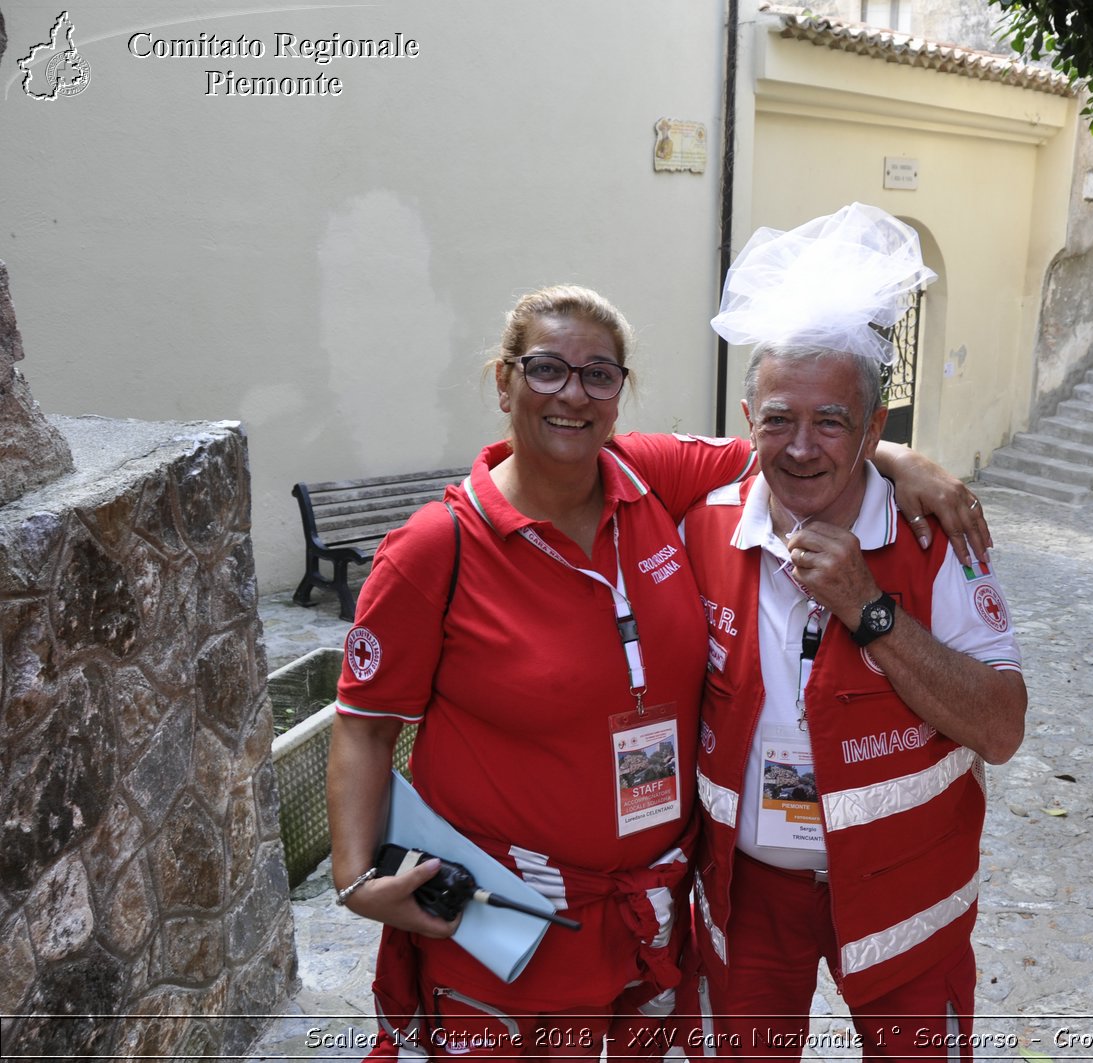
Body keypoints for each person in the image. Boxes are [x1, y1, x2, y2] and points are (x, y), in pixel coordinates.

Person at [325, 284, 990, 1060]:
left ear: (619, 395)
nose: (572, 393)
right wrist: (353, 878)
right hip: (510, 912)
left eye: (598, 374)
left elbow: (789, 442)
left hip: (653, 914)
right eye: (545, 369)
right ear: (503, 382)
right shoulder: (437, 547)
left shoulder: (652, 477)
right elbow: (363, 726)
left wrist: (897, 455)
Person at [681, 204, 1028, 1060]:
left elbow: (1001, 726)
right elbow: (576, 455)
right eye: (778, 419)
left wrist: (871, 609)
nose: (802, 448)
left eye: (832, 421)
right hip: (748, 895)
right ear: (746, 417)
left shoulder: (936, 537)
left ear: (877, 429)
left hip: (909, 888)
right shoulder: (698, 525)